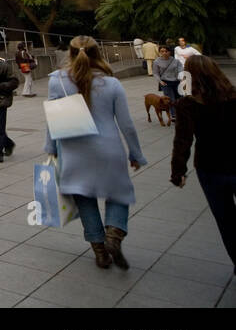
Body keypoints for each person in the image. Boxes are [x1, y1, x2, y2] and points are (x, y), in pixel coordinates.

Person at [43, 36, 145, 270]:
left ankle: (100, 251)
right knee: (118, 193)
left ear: (69, 53)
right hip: (109, 148)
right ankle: (114, 235)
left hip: (73, 150)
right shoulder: (111, 83)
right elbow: (127, 124)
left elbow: (52, 120)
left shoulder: (57, 81)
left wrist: (51, 148)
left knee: (84, 199)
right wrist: (136, 154)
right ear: (97, 53)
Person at [170, 55, 236, 276]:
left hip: (210, 168)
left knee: (226, 221)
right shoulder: (233, 96)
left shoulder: (187, 104)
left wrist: (178, 172)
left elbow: (183, 141)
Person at [154, 45, 182, 120]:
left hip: (176, 82)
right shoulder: (157, 61)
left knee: (179, 98)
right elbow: (156, 73)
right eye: (162, 51)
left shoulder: (176, 61)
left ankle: (181, 113)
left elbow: (181, 70)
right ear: (159, 52)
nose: (164, 53)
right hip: (165, 83)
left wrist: (181, 77)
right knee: (170, 99)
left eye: (166, 51)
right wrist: (160, 81)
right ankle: (173, 115)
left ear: (169, 52)